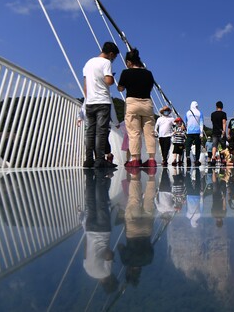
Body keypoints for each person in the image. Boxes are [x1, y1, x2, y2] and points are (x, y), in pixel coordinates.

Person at [117, 49, 157, 168]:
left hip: (132, 103)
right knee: (149, 133)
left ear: (129, 62)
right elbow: (150, 89)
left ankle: (135, 159)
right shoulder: (148, 73)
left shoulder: (126, 72)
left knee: (134, 133)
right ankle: (151, 160)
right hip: (146, 103)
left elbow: (120, 89)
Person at [82, 41, 119, 169]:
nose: (113, 60)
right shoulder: (106, 62)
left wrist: (88, 98)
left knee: (90, 132)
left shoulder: (88, 63)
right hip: (103, 102)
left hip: (90, 102)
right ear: (111, 54)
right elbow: (108, 81)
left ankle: (88, 160)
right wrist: (112, 78)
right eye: (113, 58)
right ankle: (99, 160)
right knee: (101, 132)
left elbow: (85, 86)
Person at [81, 168, 119, 293]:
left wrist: (112, 257)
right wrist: (86, 230)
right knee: (91, 203)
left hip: (103, 231)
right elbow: (86, 248)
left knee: (101, 203)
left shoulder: (106, 272)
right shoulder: (88, 271)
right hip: (90, 229)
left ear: (111, 280)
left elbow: (108, 254)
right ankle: (90, 176)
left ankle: (100, 174)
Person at [118, 168, 155, 287]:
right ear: (129, 272)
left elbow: (150, 247)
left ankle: (151, 176)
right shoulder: (126, 261)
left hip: (146, 230)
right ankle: (135, 175)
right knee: (134, 200)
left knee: (149, 200)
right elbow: (120, 246)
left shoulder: (148, 260)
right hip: (132, 232)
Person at [185, 101, 204, 167]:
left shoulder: (187, 113)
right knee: (197, 147)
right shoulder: (200, 113)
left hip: (189, 132)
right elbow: (201, 124)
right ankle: (197, 160)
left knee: (188, 145)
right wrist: (201, 133)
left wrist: (187, 130)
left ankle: (187, 156)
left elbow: (185, 123)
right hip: (197, 132)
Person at [210, 101, 227, 165]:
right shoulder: (223, 114)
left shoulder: (212, 114)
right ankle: (223, 159)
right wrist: (224, 131)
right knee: (223, 146)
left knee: (214, 145)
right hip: (221, 132)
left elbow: (213, 123)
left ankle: (213, 158)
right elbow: (224, 123)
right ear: (222, 107)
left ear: (216, 106)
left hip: (214, 131)